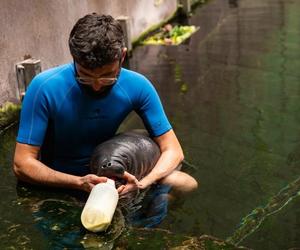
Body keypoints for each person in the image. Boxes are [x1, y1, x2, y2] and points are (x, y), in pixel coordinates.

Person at [13, 13, 197, 198]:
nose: (96, 85)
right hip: (63, 179)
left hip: (112, 171)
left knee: (186, 183)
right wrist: (78, 182)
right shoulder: (44, 87)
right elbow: (22, 164)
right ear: (74, 58)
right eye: (85, 75)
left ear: (122, 56)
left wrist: (144, 183)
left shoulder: (137, 86)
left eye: (107, 76)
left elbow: (173, 150)